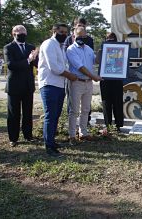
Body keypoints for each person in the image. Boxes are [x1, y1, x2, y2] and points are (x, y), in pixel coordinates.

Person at [38, 23, 77, 157]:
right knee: (50, 115)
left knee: (55, 115)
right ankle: (49, 146)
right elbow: (54, 67)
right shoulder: (49, 44)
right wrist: (69, 75)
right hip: (49, 84)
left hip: (59, 85)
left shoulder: (60, 47)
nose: (64, 35)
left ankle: (52, 141)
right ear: (54, 31)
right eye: (61, 32)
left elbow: (63, 65)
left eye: (66, 32)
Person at [3, 25, 38, 147]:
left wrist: (36, 57)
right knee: (14, 113)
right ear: (13, 33)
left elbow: (36, 64)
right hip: (14, 86)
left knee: (28, 113)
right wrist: (28, 60)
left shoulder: (30, 47)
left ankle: (28, 136)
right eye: (19, 33)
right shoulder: (8, 47)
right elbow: (11, 65)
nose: (22, 34)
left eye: (24, 32)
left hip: (28, 85)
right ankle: (13, 138)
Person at [66, 26, 102, 144]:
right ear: (73, 36)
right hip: (77, 82)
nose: (81, 38)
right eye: (78, 36)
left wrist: (104, 52)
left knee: (86, 109)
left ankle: (83, 133)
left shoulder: (89, 49)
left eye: (83, 36)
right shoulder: (71, 50)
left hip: (88, 83)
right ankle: (72, 135)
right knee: (74, 110)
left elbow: (95, 61)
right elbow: (80, 67)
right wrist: (94, 77)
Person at [64, 17, 94, 123]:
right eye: (79, 25)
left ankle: (84, 127)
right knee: (73, 106)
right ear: (74, 26)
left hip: (87, 79)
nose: (81, 27)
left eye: (83, 26)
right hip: (74, 77)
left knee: (86, 108)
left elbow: (91, 59)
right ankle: (72, 130)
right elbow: (69, 59)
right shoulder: (69, 40)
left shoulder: (89, 40)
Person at [96, 33, 124, 134]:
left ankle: (118, 126)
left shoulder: (121, 49)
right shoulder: (101, 50)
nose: (110, 41)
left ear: (116, 40)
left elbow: (123, 63)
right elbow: (97, 61)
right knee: (106, 103)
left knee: (118, 103)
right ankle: (108, 126)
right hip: (105, 81)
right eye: (108, 39)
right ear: (105, 40)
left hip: (117, 80)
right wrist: (103, 51)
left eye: (112, 39)